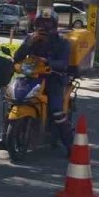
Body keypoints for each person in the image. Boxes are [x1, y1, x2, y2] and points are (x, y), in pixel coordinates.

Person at [13, 9, 73, 153]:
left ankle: (70, 146)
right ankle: (5, 137)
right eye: (41, 23)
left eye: (48, 23)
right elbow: (17, 57)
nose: (44, 27)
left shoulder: (63, 42)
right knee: (13, 100)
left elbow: (64, 64)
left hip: (54, 78)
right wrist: (29, 43)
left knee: (56, 110)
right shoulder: (30, 38)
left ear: (54, 25)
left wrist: (48, 61)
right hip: (32, 76)